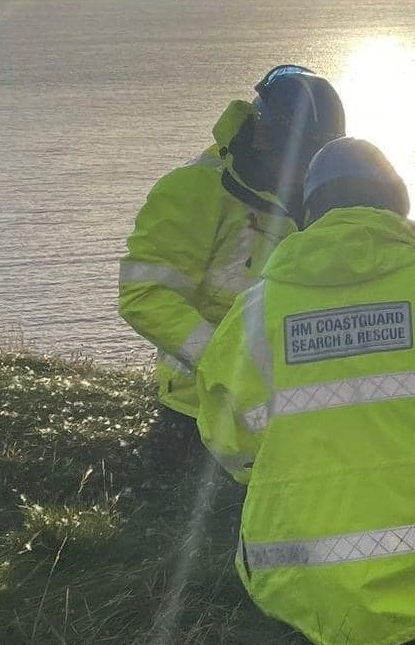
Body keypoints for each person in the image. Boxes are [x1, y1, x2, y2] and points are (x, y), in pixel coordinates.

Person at [193, 138, 415, 645]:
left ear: (308, 213)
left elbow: (230, 445)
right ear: (397, 203)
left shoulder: (254, 312)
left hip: (301, 575)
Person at [119, 65, 347, 441]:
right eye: (299, 157)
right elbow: (144, 296)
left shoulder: (317, 194)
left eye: (314, 158)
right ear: (263, 137)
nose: (304, 171)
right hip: (201, 407)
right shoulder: (192, 191)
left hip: (297, 404)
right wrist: (226, 360)